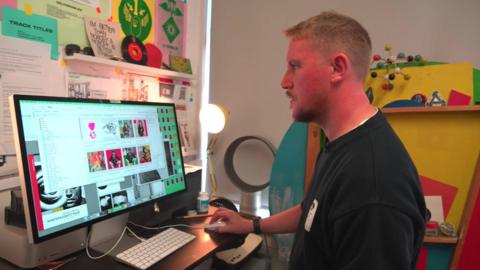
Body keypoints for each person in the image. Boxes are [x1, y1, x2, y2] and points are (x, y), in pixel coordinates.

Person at [210, 11, 426, 269]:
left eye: (295, 66)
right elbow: (312, 210)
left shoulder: (373, 183)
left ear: (337, 68)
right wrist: (250, 225)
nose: (283, 81)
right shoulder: (340, 144)